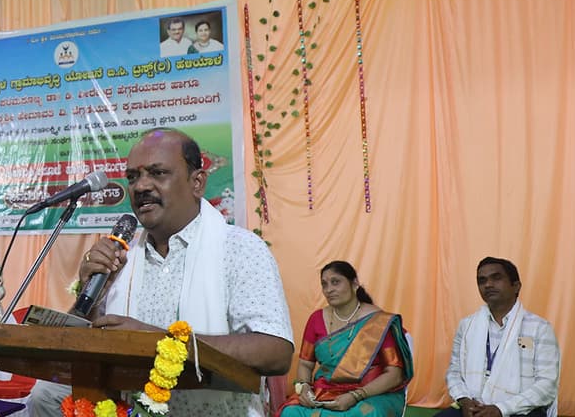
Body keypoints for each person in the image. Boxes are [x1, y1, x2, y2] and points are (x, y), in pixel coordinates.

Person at [30, 127, 294, 417]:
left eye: (158, 173)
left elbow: (275, 351)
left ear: (197, 183)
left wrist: (157, 341)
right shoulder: (121, 261)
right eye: (133, 177)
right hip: (129, 410)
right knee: (44, 395)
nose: (141, 186)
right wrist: (91, 293)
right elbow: (79, 348)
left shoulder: (240, 249)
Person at [280, 261, 413, 417]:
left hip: (371, 394)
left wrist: (356, 395)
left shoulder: (377, 322)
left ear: (354, 284)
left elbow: (395, 374)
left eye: (335, 282)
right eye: (324, 284)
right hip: (326, 391)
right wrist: (304, 387)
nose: (329, 289)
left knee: (366, 414)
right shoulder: (316, 319)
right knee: (290, 412)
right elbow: (305, 364)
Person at [435, 258, 559, 417]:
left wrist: (501, 409)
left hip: (520, 410)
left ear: (516, 286)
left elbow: (547, 385)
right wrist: (465, 400)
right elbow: (454, 372)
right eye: (482, 280)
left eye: (496, 278)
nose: (488, 284)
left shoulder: (540, 328)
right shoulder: (467, 326)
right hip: (473, 407)